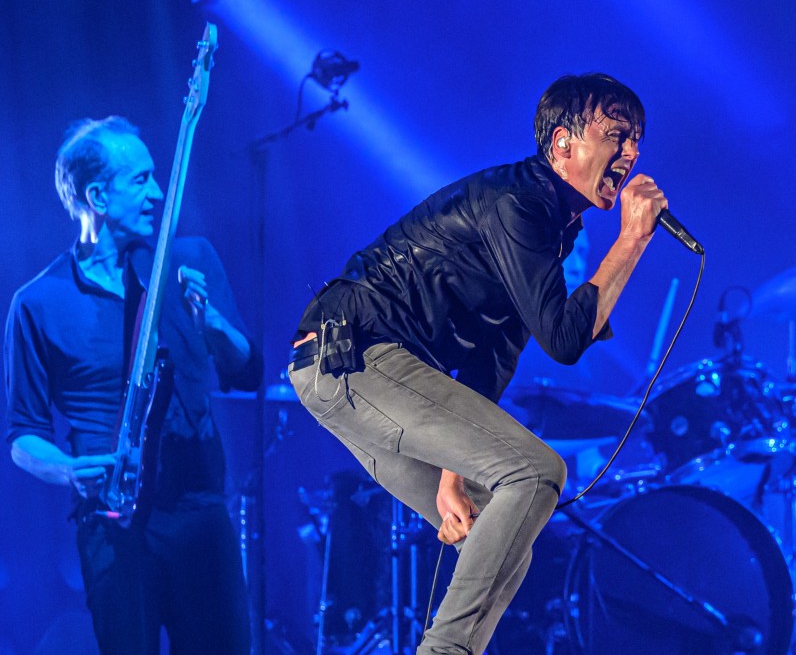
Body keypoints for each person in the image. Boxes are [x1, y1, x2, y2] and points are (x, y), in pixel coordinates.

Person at [288, 73, 669, 654]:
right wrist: (632, 241)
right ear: (563, 143)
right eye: (616, 136)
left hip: (358, 370)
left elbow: (498, 351)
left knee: (506, 519)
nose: (632, 153)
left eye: (637, 140)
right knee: (538, 472)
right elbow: (564, 341)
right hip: (355, 354)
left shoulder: (554, 225)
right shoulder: (520, 203)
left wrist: (451, 470)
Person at [4, 116, 262, 654]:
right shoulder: (38, 302)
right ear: (97, 196)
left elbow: (246, 372)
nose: (158, 192)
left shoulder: (189, 259)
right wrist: (70, 470)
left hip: (199, 512)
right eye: (140, 180)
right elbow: (23, 436)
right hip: (112, 524)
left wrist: (212, 324)